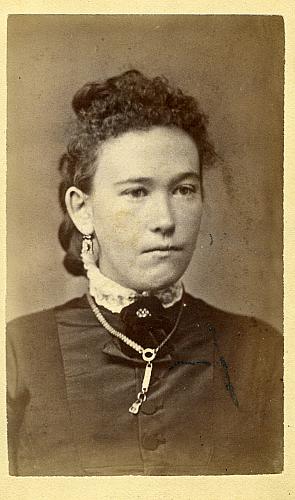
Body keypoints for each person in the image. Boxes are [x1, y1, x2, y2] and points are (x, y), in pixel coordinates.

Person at [6, 70, 283, 476]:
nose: (165, 220)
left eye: (184, 189)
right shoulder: (18, 351)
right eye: (137, 192)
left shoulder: (261, 354)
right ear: (82, 210)